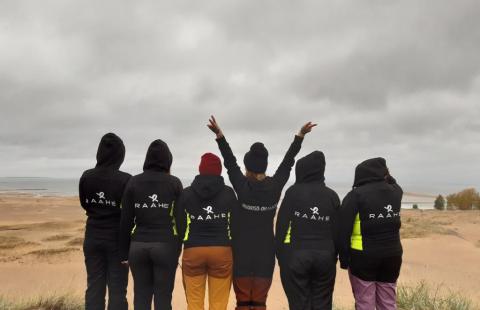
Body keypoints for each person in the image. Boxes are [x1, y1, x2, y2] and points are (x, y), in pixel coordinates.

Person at [207, 116, 316, 310]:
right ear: (264, 165)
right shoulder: (275, 187)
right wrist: (300, 136)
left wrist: (220, 136)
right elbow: (287, 162)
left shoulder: (242, 187)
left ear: (247, 165)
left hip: (241, 252)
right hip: (266, 253)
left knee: (242, 303)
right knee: (259, 303)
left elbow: (230, 163)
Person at [119, 139, 183, 310]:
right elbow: (181, 220)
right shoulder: (174, 183)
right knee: (163, 298)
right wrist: (178, 249)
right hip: (165, 245)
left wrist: (124, 253)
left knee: (141, 297)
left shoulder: (133, 182)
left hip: (138, 246)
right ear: (168, 160)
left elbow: (125, 220)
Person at [275, 151, 340, 310]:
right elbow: (338, 230)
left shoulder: (293, 192)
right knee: (323, 303)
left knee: (299, 304)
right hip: (325, 256)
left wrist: (280, 255)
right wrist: (336, 255)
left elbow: (282, 225)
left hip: (297, 255)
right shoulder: (332, 196)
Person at [338, 158, 403, 310]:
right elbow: (393, 182)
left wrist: (343, 259)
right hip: (392, 255)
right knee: (388, 302)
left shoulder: (355, 195)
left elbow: (343, 230)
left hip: (363, 258)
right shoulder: (396, 191)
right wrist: (386, 175)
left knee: (365, 302)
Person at [176, 153, 238, 310]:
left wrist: (183, 243)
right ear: (219, 170)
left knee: (194, 303)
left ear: (200, 169)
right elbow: (236, 224)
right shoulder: (228, 193)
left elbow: (180, 223)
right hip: (222, 250)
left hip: (193, 250)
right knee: (218, 304)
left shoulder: (187, 193)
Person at [79, 132, 131, 310]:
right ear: (120, 155)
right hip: (117, 240)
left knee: (94, 286)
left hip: (92, 236)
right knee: (117, 290)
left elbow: (85, 204)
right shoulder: (125, 180)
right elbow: (129, 213)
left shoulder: (86, 176)